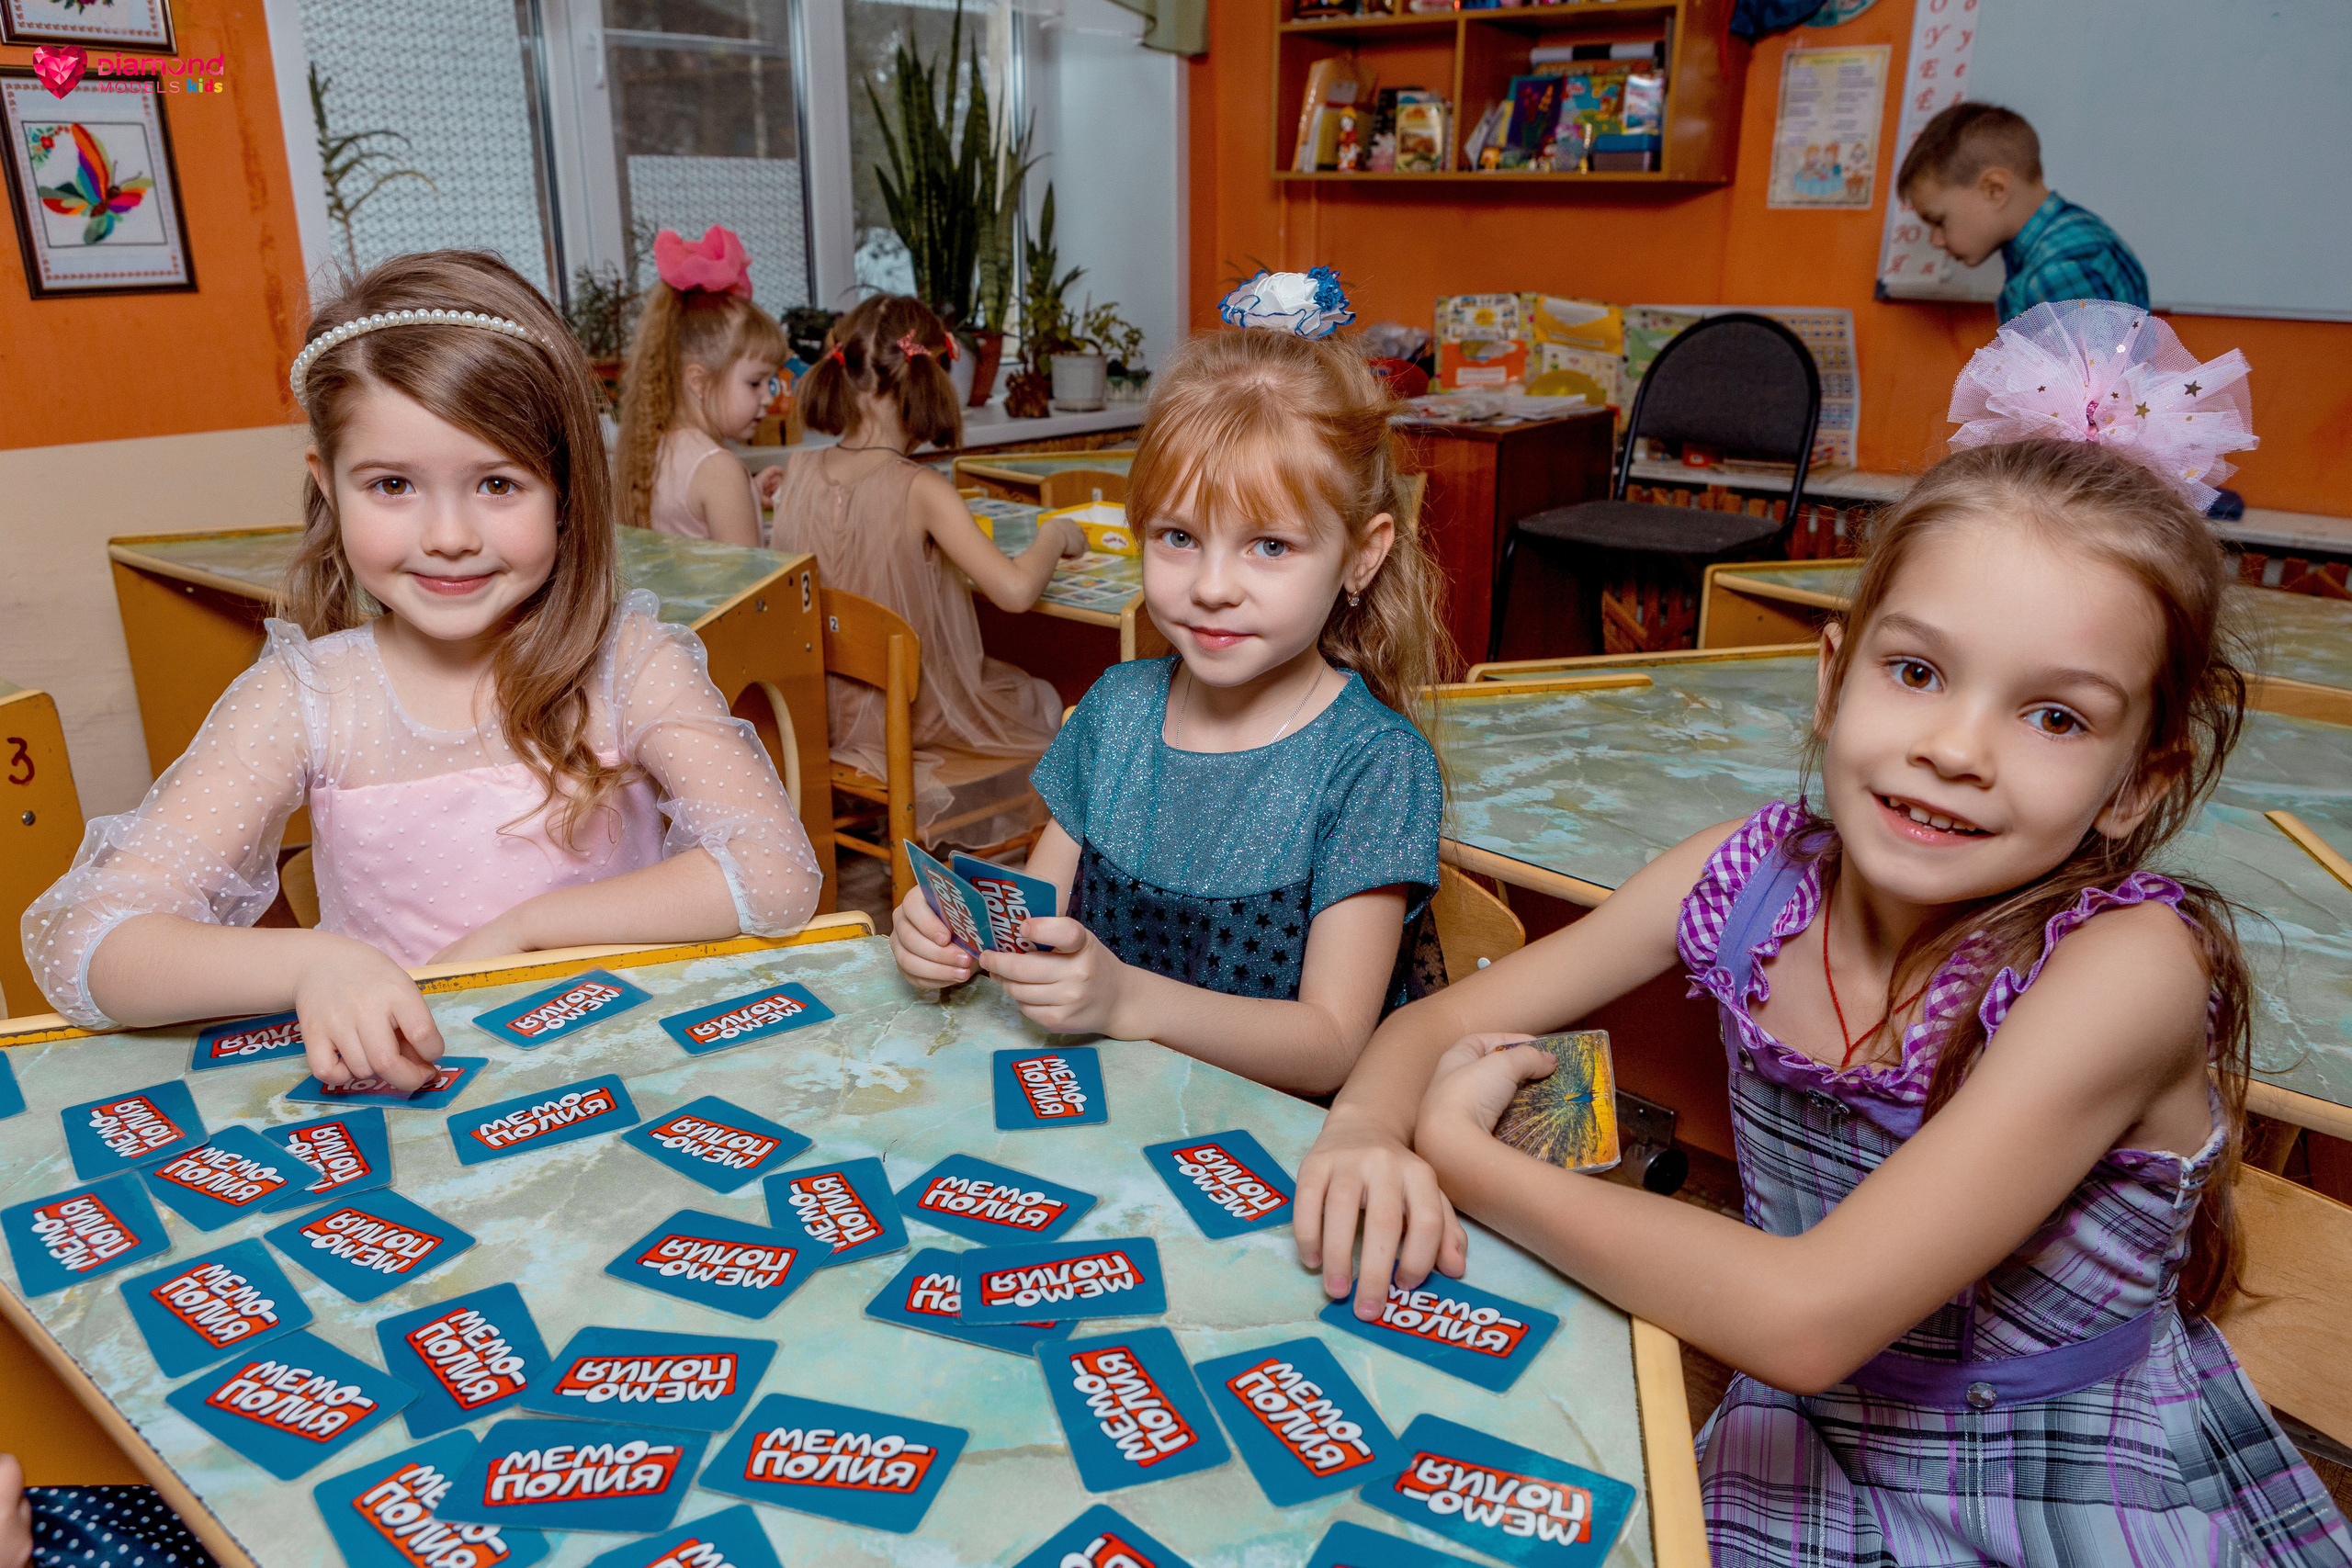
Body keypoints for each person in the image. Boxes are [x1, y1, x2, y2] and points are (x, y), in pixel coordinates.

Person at [1295, 307, 2352, 1563]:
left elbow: (1805, 1316)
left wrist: (1467, 1157)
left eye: (2056, 716)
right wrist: (1366, 1126)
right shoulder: (1743, 880)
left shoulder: (2128, 969)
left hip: (2062, 1487)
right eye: (1918, 672)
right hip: (1811, 1437)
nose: (1956, 748)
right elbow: (1432, 1021)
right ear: (1835, 674)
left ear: (2137, 780)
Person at [22, 250, 821, 1089]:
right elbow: (89, 943)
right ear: (327, 486)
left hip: (623, 1075)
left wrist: (528, 930)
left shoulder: (630, 660)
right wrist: (312, 964)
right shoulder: (308, 698)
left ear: (565, 490)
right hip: (418, 1103)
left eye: (499, 484)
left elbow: (777, 873)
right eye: (393, 483)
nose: (448, 534)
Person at [888, 269, 1451, 1098]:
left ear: (1362, 554)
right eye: (1180, 536)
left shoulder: (1372, 765)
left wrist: (1127, 999)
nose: (1212, 585)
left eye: (1269, 546)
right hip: (1108, 1121)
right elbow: (1033, 922)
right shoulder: (1117, 710)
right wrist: (949, 941)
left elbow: (1333, 1041)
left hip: (1266, 1150)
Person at [767, 293, 1083, 852]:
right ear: (927, 380)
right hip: (909, 720)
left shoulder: (798, 469)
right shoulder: (922, 488)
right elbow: (1013, 592)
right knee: (1042, 701)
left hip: (814, 718)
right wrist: (1054, 535)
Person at [615, 224, 787, 546]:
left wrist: (748, 493)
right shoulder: (718, 470)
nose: (768, 397)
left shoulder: (655, 448)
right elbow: (750, 590)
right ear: (699, 381)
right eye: (755, 382)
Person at [1897, 101, 2149, 322]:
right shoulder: (2062, 238)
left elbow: (2088, 377)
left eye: (1940, 221)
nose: (1935, 240)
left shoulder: (2057, 270)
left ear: (1995, 190)